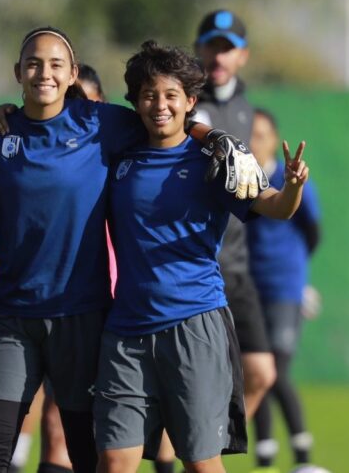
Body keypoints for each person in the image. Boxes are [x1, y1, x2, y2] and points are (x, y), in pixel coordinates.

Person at [0, 27, 258, 473]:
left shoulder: (102, 124)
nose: (44, 73)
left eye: (56, 64)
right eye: (34, 64)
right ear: (18, 72)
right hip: (10, 318)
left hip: (82, 318)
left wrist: (213, 137)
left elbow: (165, 114)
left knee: (88, 457)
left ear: (72, 73)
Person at [94, 40, 309, 473]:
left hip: (193, 326)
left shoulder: (215, 161)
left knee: (201, 463)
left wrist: (292, 187)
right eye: (149, 94)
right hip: (126, 330)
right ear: (135, 100)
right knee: (114, 462)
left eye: (171, 95)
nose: (160, 105)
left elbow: (275, 207)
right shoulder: (118, 156)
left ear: (190, 100)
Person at [193, 9, 277, 422]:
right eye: (212, 46)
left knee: (261, 372)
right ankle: (191, 448)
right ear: (198, 50)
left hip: (236, 265)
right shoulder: (186, 102)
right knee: (192, 383)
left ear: (242, 56)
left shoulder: (247, 110)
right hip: (196, 264)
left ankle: (210, 444)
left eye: (227, 49)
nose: (218, 56)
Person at [246, 108, 321, 471]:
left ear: (274, 139)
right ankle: (265, 455)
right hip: (248, 289)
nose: (254, 141)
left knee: (276, 371)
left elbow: (313, 232)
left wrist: (298, 276)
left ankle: (302, 453)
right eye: (249, 134)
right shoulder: (240, 180)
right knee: (256, 371)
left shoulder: (291, 180)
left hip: (284, 288)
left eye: (261, 135)